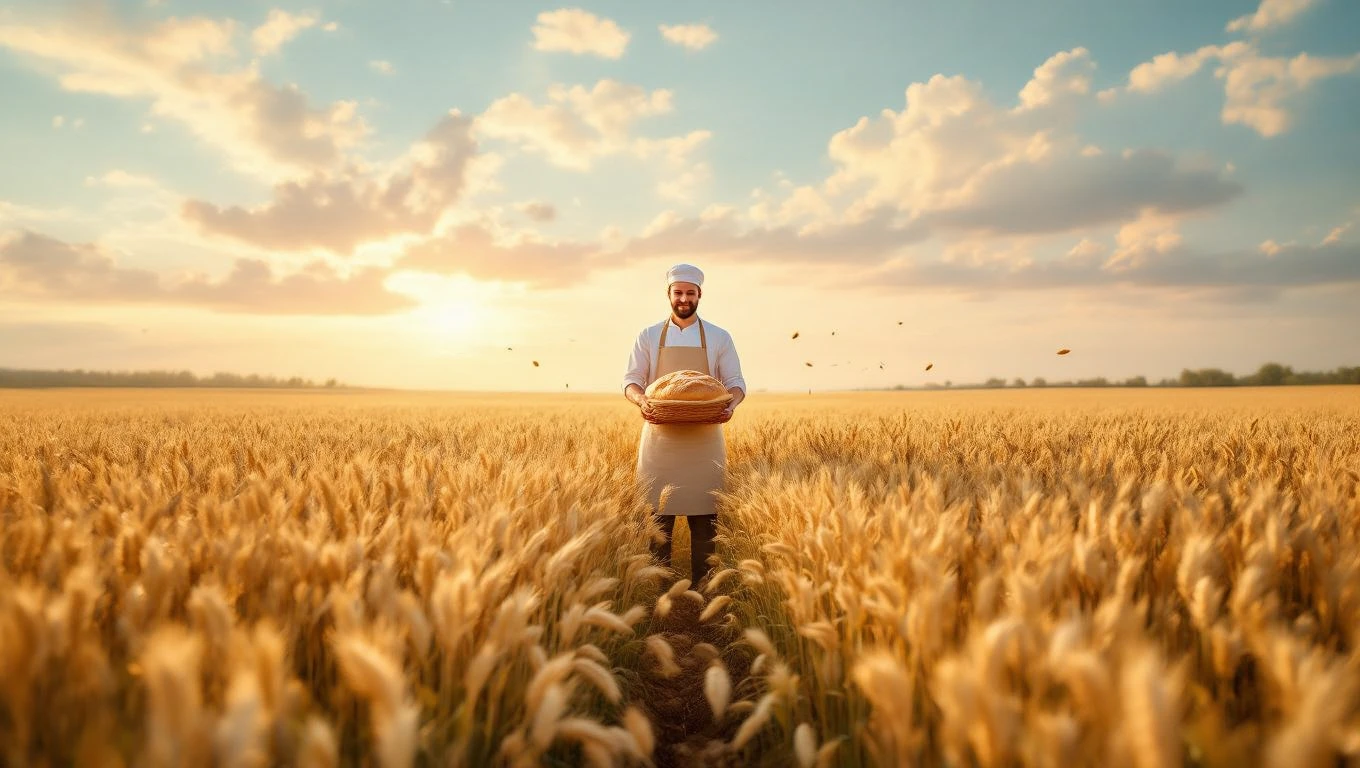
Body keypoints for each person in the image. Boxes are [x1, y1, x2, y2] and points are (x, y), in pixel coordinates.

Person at [622, 263, 746, 587]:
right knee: (658, 522)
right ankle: (658, 592)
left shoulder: (719, 337)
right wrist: (642, 401)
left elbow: (735, 382)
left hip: (705, 442)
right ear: (669, 294)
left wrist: (730, 404)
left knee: (705, 523)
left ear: (699, 295)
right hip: (659, 441)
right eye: (678, 292)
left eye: (690, 293)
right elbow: (632, 381)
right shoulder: (648, 336)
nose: (684, 299)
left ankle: (704, 591)